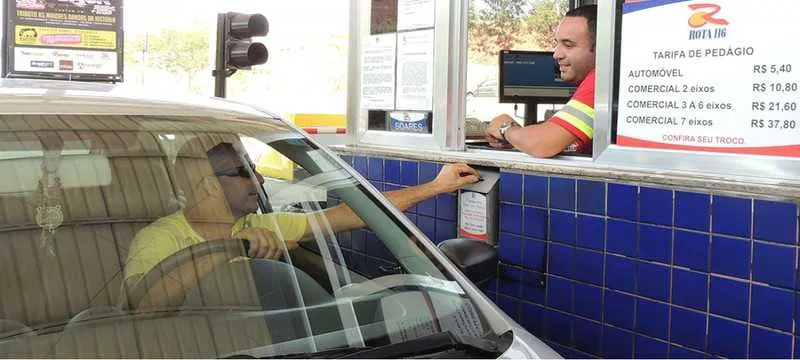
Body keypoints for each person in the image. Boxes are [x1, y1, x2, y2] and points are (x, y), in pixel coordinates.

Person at [124, 135, 480, 309]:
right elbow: (144, 310)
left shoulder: (267, 223)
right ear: (207, 185)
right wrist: (232, 250)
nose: (260, 180)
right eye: (246, 173)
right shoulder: (159, 239)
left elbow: (355, 214)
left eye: (256, 169)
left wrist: (437, 186)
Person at [485, 4, 597, 158]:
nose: (556, 54)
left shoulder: (600, 83)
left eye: (568, 45)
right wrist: (520, 139)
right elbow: (563, 144)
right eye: (557, 44)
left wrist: (506, 128)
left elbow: (542, 145)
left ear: (601, 48)